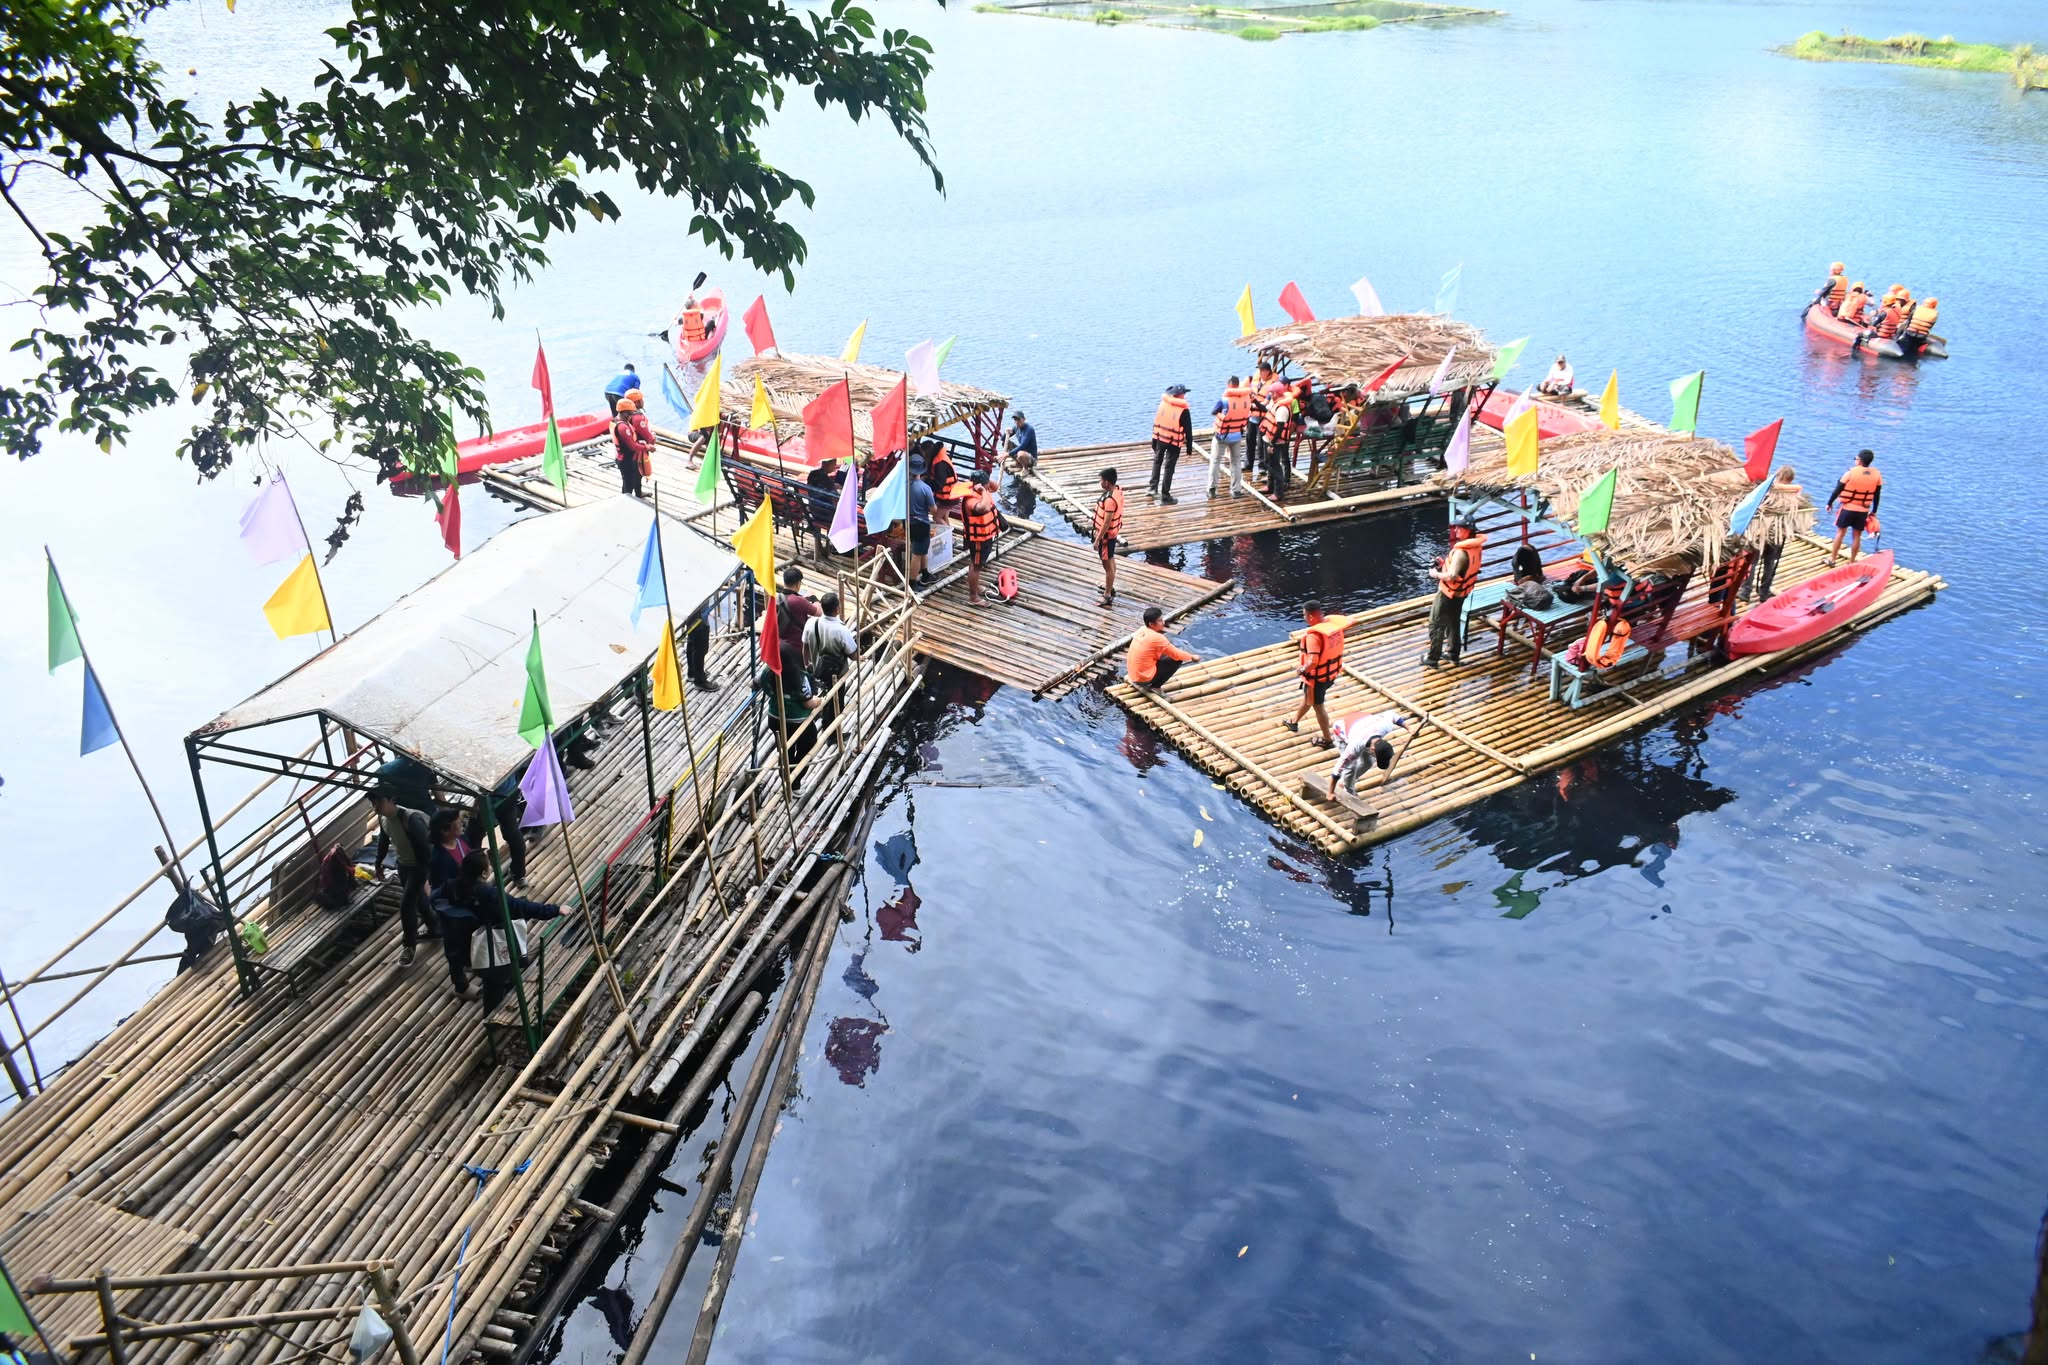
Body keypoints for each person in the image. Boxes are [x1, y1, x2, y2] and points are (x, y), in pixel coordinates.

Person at [437, 850, 562, 1008]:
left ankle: (472, 989)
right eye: (489, 866)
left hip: (460, 943)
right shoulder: (489, 894)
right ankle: (494, 1013)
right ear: (484, 873)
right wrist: (555, 910)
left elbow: (435, 900)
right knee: (495, 985)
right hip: (489, 947)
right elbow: (519, 907)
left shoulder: (451, 886)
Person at [371, 785, 438, 967]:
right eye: (373, 802)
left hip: (419, 865)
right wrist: (378, 862)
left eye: (378, 801)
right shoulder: (383, 818)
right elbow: (383, 840)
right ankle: (435, 928)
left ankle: (409, 945)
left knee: (407, 904)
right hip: (403, 864)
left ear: (392, 800)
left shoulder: (410, 819)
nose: (375, 806)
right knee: (419, 899)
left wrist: (425, 874)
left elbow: (425, 850)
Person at [1424, 519, 1487, 668]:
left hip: (1448, 593)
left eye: (1460, 528)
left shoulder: (1460, 552)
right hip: (1462, 593)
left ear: (1468, 530)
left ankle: (1432, 658)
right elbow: (1462, 570)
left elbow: (1452, 576)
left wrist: (1435, 574)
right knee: (1453, 621)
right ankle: (1453, 654)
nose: (1456, 530)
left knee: (1436, 623)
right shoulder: (1476, 547)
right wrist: (1443, 564)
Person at [1283, 602, 1346, 748]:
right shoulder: (1333, 629)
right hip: (1330, 674)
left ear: (1310, 616)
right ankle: (1293, 722)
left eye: (1304, 615)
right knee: (1308, 698)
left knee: (1318, 706)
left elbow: (1313, 661)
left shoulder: (1314, 636)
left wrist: (1302, 669)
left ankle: (1327, 740)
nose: (1304, 618)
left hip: (1317, 678)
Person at [802, 590, 860, 737]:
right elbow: (853, 655)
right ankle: (832, 735)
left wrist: (806, 664)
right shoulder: (841, 630)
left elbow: (805, 647)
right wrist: (860, 655)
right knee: (836, 703)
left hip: (817, 670)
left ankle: (823, 719)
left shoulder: (811, 623)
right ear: (837, 609)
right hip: (836, 674)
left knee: (823, 695)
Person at [1741, 466, 1802, 603]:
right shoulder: (1792, 493)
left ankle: (1746, 590)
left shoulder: (1767, 488)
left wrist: (1770, 483)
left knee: (1753, 562)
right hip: (1777, 533)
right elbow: (1798, 488)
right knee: (1769, 563)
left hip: (1760, 531)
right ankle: (1764, 592)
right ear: (1790, 479)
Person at [1330, 710, 1408, 795]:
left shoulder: (1385, 726)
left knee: (1368, 762)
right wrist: (1330, 792)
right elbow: (1338, 769)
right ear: (1372, 749)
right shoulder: (1355, 746)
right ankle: (1349, 791)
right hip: (1342, 728)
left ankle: (1345, 781)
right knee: (1350, 767)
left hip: (1362, 723)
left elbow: (1392, 715)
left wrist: (1410, 729)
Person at [1826, 449, 1882, 565]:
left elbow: (1837, 490)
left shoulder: (1850, 473)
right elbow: (1877, 495)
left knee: (1840, 533)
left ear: (1859, 461)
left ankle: (1832, 559)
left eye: (1856, 458)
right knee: (1857, 536)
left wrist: (1829, 503)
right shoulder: (1877, 476)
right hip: (1863, 511)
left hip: (1848, 509)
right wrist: (1874, 511)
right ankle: (1852, 561)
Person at [1126, 605, 1197, 689]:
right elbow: (1176, 654)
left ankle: (1146, 678)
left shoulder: (1142, 629)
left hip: (1133, 675)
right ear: (1151, 624)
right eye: (1160, 621)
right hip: (1142, 679)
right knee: (1176, 660)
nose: (1163, 622)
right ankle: (1156, 686)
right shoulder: (1157, 638)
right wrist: (1192, 657)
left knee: (1164, 653)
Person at [961, 468, 1002, 604]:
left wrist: (986, 480)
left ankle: (976, 586)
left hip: (986, 535)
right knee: (976, 565)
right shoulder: (971, 499)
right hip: (977, 539)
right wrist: (984, 490)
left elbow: (995, 487)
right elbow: (982, 508)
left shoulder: (982, 490)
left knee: (977, 563)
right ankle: (973, 597)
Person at [1147, 384, 1194, 504]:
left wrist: (1154, 442)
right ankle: (1165, 496)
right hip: (1174, 443)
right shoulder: (1184, 410)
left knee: (1157, 461)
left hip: (1160, 438)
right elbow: (1188, 431)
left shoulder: (1163, 404)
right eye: (1184, 393)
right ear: (1181, 395)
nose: (1185, 395)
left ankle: (1152, 487)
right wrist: (1189, 449)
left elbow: (1156, 423)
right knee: (1169, 468)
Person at [777, 565, 819, 688]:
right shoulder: (799, 601)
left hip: (780, 644)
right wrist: (814, 598)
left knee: (784, 676)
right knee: (800, 678)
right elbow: (819, 612)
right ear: (798, 584)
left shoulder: (777, 598)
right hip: (795, 647)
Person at [1210, 376, 1251, 499]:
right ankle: (1236, 490)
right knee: (1236, 462)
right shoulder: (1246, 399)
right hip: (1237, 435)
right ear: (1238, 385)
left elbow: (1213, 411)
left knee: (1215, 461)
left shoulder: (1224, 400)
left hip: (1222, 436)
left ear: (1228, 385)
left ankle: (1212, 488)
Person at [1092, 466, 1124, 608]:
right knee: (1111, 560)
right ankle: (1109, 586)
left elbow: (1106, 523)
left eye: (1101, 480)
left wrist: (1097, 540)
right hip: (1112, 535)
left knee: (1107, 566)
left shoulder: (1110, 500)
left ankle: (1107, 595)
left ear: (1107, 482)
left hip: (1106, 538)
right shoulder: (1117, 491)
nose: (1100, 482)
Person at [906, 454, 937, 585]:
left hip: (908, 522)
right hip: (921, 523)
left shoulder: (904, 486)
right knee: (917, 554)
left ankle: (925, 574)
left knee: (922, 549)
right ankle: (912, 583)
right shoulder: (925, 488)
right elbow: (933, 509)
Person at [1261, 378, 1295, 497]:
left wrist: (1272, 443)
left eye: (1272, 392)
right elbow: (1265, 409)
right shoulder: (1275, 403)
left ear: (1276, 393)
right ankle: (1270, 486)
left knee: (1275, 466)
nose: (1270, 394)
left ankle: (1278, 493)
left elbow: (1280, 427)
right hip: (1268, 438)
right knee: (1268, 463)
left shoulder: (1282, 408)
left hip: (1275, 441)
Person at [612, 396, 651, 497]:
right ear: (625, 413)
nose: (631, 416)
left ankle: (638, 493)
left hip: (629, 457)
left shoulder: (617, 420)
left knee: (636, 476)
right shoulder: (622, 427)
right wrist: (647, 447)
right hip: (626, 459)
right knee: (628, 484)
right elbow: (632, 446)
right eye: (630, 413)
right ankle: (626, 500)